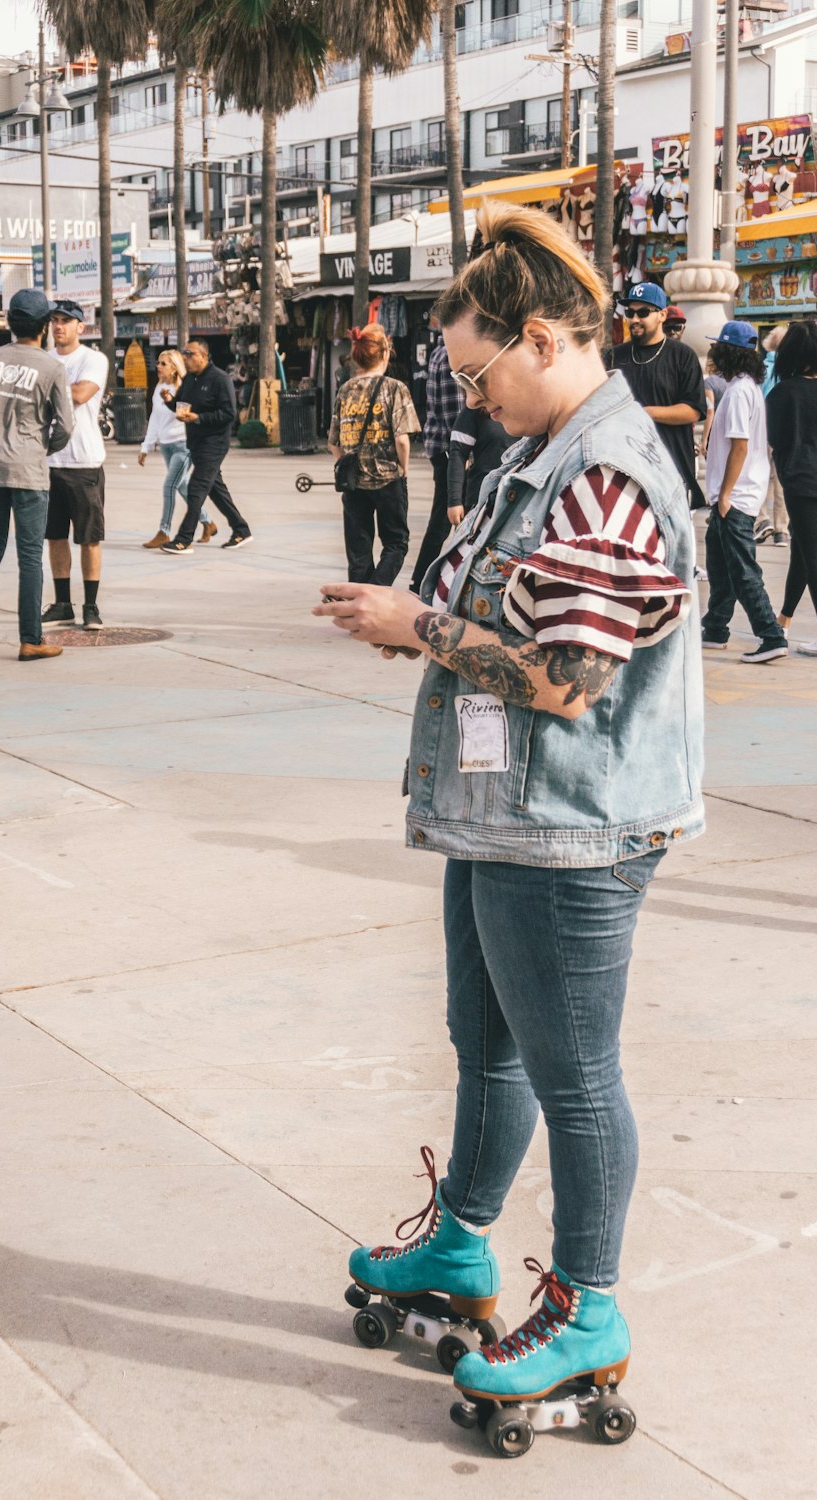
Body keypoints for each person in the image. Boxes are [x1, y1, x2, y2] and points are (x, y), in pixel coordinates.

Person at [314, 199, 703, 1426]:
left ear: (541, 340)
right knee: (488, 1049)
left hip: (569, 828)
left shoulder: (605, 473)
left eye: (476, 375)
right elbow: (505, 630)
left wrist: (416, 627)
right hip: (501, 814)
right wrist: (425, 627)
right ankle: (463, 1247)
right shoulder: (534, 458)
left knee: (575, 1077)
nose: (467, 401)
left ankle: (588, 1306)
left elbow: (565, 685)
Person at [0, 289, 73, 662]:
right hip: (28, 472)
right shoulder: (52, 367)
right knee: (29, 557)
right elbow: (65, 427)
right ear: (43, 326)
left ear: (10, 323)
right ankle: (31, 639)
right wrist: (40, 448)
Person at [701, 321, 787, 664]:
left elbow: (740, 446)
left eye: (715, 348)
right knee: (720, 565)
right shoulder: (747, 387)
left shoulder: (737, 393)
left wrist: (725, 495)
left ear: (727, 352)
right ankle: (716, 628)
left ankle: (770, 635)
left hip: (734, 497)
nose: (711, 354)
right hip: (737, 494)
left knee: (742, 570)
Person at [328, 323, 420, 586]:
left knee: (358, 552)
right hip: (388, 478)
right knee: (396, 543)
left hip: (354, 482)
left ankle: (358, 604)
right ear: (385, 352)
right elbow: (402, 440)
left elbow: (333, 441)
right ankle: (375, 592)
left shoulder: (345, 389)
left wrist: (346, 463)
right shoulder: (395, 388)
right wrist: (404, 469)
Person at [38, 299, 109, 630]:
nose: (58, 326)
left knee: (88, 537)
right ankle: (63, 603)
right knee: (54, 536)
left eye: (66, 321)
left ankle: (91, 606)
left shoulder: (93, 359)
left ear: (81, 326)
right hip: (47, 462)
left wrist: (43, 390)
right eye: (54, 320)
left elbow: (81, 394)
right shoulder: (42, 359)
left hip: (84, 462)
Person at [611, 281, 707, 508]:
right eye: (630, 312)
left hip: (669, 466)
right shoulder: (615, 356)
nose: (634, 319)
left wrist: (645, 413)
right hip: (623, 466)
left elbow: (693, 410)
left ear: (662, 315)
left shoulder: (683, 356)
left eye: (643, 312)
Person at [158, 340, 251, 554]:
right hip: (196, 443)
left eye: (189, 354)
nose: (185, 358)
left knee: (196, 488)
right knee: (216, 490)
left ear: (203, 355)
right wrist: (169, 400)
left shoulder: (220, 379)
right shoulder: (190, 379)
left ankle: (184, 539)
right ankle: (241, 529)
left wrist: (199, 418)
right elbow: (180, 404)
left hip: (215, 443)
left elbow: (229, 414)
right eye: (184, 354)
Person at [767, 318, 817, 656]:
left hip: (801, 483)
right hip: (808, 482)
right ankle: (783, 619)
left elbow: (774, 439)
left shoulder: (784, 392)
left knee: (811, 557)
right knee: (802, 552)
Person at [137, 349, 215, 548]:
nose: (158, 366)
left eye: (163, 363)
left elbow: (187, 415)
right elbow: (154, 418)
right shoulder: (158, 388)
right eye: (158, 362)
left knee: (169, 486)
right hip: (166, 446)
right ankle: (207, 522)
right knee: (181, 486)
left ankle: (164, 531)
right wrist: (146, 446)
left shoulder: (184, 387)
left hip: (183, 444)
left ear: (174, 367)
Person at [410, 339, 464, 590]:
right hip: (448, 449)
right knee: (443, 518)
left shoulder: (440, 352)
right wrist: (462, 453)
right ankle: (421, 581)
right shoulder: (450, 355)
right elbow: (453, 413)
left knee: (445, 519)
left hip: (442, 446)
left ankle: (425, 579)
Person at [755, 324, 790, 546]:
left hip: (761, 431)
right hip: (784, 431)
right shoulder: (790, 371)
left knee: (758, 477)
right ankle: (781, 530)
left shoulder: (761, 370)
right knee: (781, 482)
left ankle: (761, 520)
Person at [445, 404, 509, 529]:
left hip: (521, 499)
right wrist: (454, 501)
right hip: (480, 499)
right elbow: (458, 454)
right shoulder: (476, 409)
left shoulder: (525, 405)